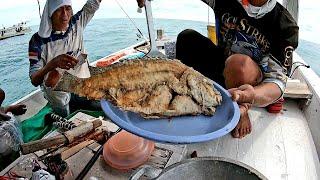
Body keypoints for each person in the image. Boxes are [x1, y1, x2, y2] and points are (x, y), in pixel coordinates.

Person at [136, 0, 299, 138]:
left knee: (239, 64)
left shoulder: (284, 26)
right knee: (187, 38)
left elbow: (277, 83)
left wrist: (252, 95)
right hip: (223, 64)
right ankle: (188, 95)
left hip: (250, 83)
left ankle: (239, 111)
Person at [29, 0, 103, 117]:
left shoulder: (76, 23)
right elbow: (34, 80)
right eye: (59, 9)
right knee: (53, 79)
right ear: (50, 13)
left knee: (105, 106)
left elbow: (93, 3)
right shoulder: (37, 41)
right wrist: (52, 65)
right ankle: (63, 113)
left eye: (68, 8)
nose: (64, 14)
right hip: (59, 92)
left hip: (81, 84)